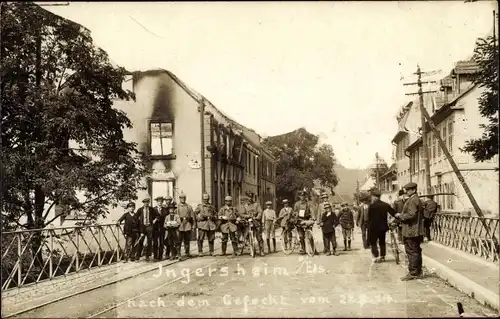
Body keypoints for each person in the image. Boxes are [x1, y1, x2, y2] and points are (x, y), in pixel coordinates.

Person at [396, 182, 425, 281]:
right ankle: (418, 271)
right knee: (416, 250)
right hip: (414, 229)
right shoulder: (415, 199)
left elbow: (411, 215)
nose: (407, 191)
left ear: (414, 190)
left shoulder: (413, 200)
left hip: (411, 230)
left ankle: (413, 273)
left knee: (412, 251)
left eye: (408, 190)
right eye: (406, 190)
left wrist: (400, 216)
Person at [367, 189, 396, 263]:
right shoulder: (385, 205)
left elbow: (369, 218)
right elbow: (393, 213)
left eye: (372, 197)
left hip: (373, 228)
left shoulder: (371, 206)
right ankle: (382, 256)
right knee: (382, 242)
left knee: (373, 242)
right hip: (382, 227)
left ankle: (375, 256)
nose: (372, 198)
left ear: (374, 197)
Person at [176, 192, 195, 259]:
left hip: (187, 225)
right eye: (181, 198)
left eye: (184, 198)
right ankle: (178, 254)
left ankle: (187, 252)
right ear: (179, 199)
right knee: (179, 240)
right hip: (180, 226)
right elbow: (175, 217)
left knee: (187, 240)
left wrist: (193, 226)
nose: (183, 199)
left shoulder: (189, 207)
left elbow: (192, 217)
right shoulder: (177, 207)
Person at [152, 196, 168, 261]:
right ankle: (155, 256)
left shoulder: (165, 210)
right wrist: (155, 219)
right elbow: (151, 219)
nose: (160, 203)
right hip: (155, 228)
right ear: (157, 202)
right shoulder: (153, 209)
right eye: (159, 201)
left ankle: (160, 256)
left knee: (161, 242)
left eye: (161, 202)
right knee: (155, 242)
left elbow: (167, 219)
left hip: (162, 228)